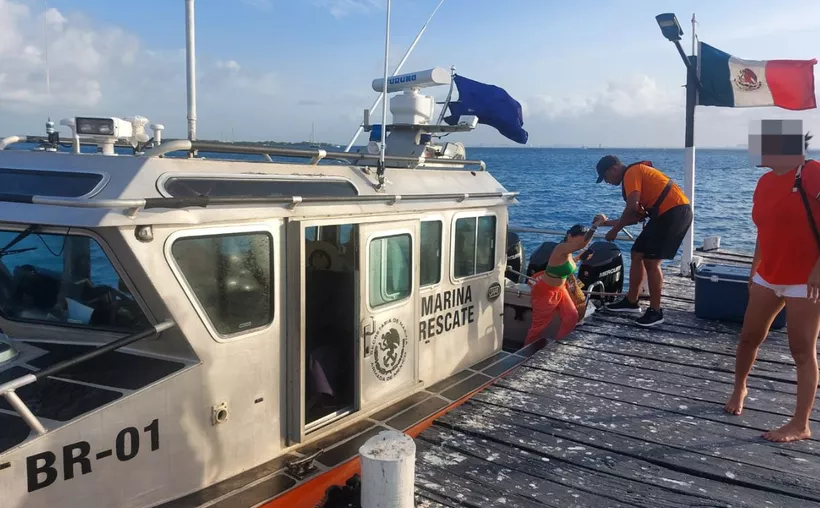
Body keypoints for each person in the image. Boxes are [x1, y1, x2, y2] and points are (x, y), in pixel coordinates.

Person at [725, 132, 820, 443]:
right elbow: (763, 230)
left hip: (805, 279)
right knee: (749, 337)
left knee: (802, 351)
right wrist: (754, 273)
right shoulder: (764, 183)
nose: (758, 151)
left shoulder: (813, 173)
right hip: (769, 275)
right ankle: (740, 387)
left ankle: (800, 424)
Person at [594, 155, 693, 327]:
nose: (607, 183)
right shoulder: (631, 178)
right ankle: (631, 301)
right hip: (663, 216)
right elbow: (636, 216)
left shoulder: (632, 172)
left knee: (651, 261)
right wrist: (606, 223)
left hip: (675, 213)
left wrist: (614, 230)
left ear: (614, 169)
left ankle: (656, 311)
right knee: (637, 253)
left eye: (606, 178)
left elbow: (632, 207)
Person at [525, 218, 604, 345]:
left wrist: (579, 258)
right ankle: (526, 355)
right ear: (569, 236)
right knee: (538, 327)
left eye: (582, 241)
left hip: (561, 290)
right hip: (546, 292)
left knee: (571, 317)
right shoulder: (560, 248)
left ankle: (558, 345)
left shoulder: (568, 253)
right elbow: (581, 245)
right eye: (578, 240)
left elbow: (565, 266)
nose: (579, 245)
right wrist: (595, 226)